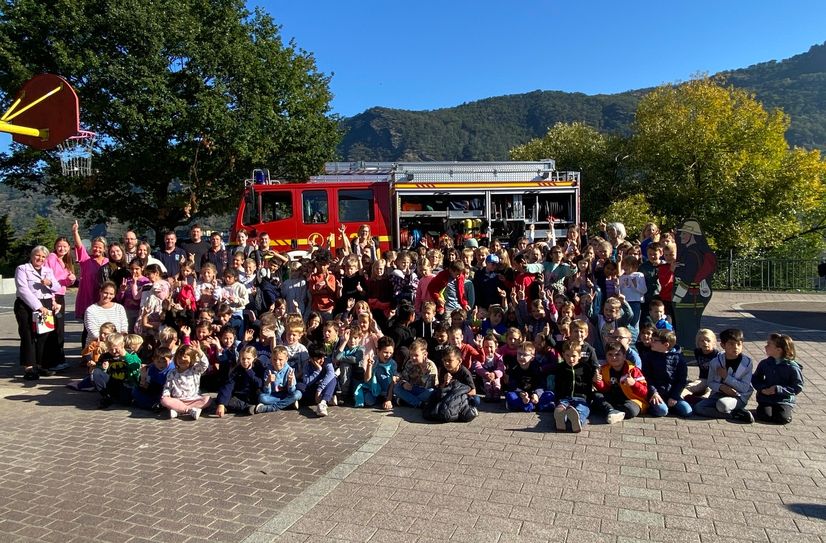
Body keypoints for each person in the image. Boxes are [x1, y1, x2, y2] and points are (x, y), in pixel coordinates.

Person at [14, 246, 62, 380]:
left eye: (43, 257)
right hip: (26, 305)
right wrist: (38, 307)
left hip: (46, 304)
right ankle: (29, 367)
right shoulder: (22, 269)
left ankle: (41, 365)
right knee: (28, 335)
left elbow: (57, 287)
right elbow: (23, 290)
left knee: (44, 336)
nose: (40, 259)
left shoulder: (48, 270)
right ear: (32, 256)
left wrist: (50, 283)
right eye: (38, 256)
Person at [694, 328, 755, 423]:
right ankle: (734, 415)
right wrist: (722, 387)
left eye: (739, 344)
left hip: (738, 396)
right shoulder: (715, 362)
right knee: (699, 407)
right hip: (719, 394)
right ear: (723, 345)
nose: (735, 347)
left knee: (722, 405)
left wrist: (727, 377)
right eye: (731, 344)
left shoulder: (747, 363)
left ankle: (736, 409)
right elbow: (710, 382)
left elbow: (744, 388)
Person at [751, 333, 804, 424]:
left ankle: (783, 411)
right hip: (766, 398)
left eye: (769, 344)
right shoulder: (765, 363)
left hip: (784, 399)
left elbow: (797, 386)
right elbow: (755, 378)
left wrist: (778, 389)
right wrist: (762, 389)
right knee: (764, 416)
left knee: (782, 419)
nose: (765, 346)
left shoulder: (792, 367)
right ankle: (765, 409)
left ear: (778, 350)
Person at [593, 341, 649, 423]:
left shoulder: (633, 370)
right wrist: (597, 381)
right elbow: (605, 389)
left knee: (631, 410)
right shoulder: (604, 369)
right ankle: (612, 411)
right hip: (614, 399)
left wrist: (634, 384)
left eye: (617, 354)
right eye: (610, 355)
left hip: (631, 400)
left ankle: (610, 411)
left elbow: (645, 392)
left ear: (624, 356)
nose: (613, 357)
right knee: (596, 396)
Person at [72, 220, 109, 345]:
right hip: (88, 298)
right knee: (87, 329)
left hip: (103, 299)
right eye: (95, 246)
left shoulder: (108, 262)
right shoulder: (86, 260)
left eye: (100, 247)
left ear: (104, 249)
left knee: (105, 329)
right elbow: (79, 247)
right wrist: (75, 232)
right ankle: (85, 355)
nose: (96, 249)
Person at [641, 330, 692, 418]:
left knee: (687, 411)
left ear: (666, 345)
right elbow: (647, 377)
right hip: (655, 394)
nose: (651, 342)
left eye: (654, 340)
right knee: (662, 411)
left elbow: (682, 380)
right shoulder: (648, 357)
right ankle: (652, 407)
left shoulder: (679, 359)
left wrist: (674, 396)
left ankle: (670, 405)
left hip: (671, 394)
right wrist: (654, 392)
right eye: (651, 339)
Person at [45, 237, 76, 372]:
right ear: (55, 246)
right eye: (59, 246)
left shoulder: (66, 262)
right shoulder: (51, 258)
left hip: (61, 296)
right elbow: (47, 279)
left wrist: (71, 280)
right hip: (52, 297)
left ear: (69, 248)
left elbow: (65, 283)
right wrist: (52, 300)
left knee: (59, 330)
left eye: (65, 246)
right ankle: (52, 361)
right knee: (52, 329)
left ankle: (59, 359)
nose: (62, 249)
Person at [553, 341, 596, 432]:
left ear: (579, 356)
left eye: (573, 356)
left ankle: (578, 421)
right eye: (567, 355)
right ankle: (560, 420)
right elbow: (557, 384)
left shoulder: (585, 368)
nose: (570, 359)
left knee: (583, 409)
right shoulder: (560, 368)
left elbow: (590, 383)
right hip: (564, 397)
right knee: (561, 408)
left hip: (581, 398)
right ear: (563, 355)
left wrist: (589, 397)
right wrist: (557, 399)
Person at [161, 345, 212, 419]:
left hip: (193, 399)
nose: (182, 359)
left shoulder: (195, 369)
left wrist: (200, 352)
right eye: (179, 358)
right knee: (164, 400)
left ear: (191, 359)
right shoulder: (172, 373)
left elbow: (204, 365)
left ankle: (178, 411)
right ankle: (189, 410)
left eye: (185, 357)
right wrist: (166, 394)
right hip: (177, 400)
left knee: (208, 399)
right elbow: (167, 386)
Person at [394, 338, 439, 408]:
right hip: (412, 389)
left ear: (425, 354)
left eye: (416, 355)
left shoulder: (430, 366)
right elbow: (403, 377)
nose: (413, 358)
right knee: (396, 387)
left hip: (423, 391)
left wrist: (425, 374)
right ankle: (419, 403)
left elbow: (430, 386)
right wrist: (404, 383)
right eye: (411, 355)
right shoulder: (410, 363)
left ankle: (407, 401)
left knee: (431, 392)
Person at [256, 345, 302, 413]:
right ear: (271, 358)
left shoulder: (290, 370)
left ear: (286, 359)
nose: (277, 362)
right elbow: (267, 392)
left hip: (286, 395)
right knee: (262, 398)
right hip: (274, 396)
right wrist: (268, 382)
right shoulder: (268, 371)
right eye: (274, 359)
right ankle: (289, 404)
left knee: (298, 394)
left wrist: (290, 384)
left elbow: (292, 392)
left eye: (280, 359)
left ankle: (271, 408)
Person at [84, 281, 129, 346]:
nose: (108, 296)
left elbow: (124, 328)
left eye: (111, 294)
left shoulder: (120, 308)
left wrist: (119, 339)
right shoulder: (91, 310)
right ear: (100, 292)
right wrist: (110, 342)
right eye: (105, 293)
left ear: (114, 295)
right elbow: (93, 333)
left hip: (116, 346)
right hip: (97, 346)